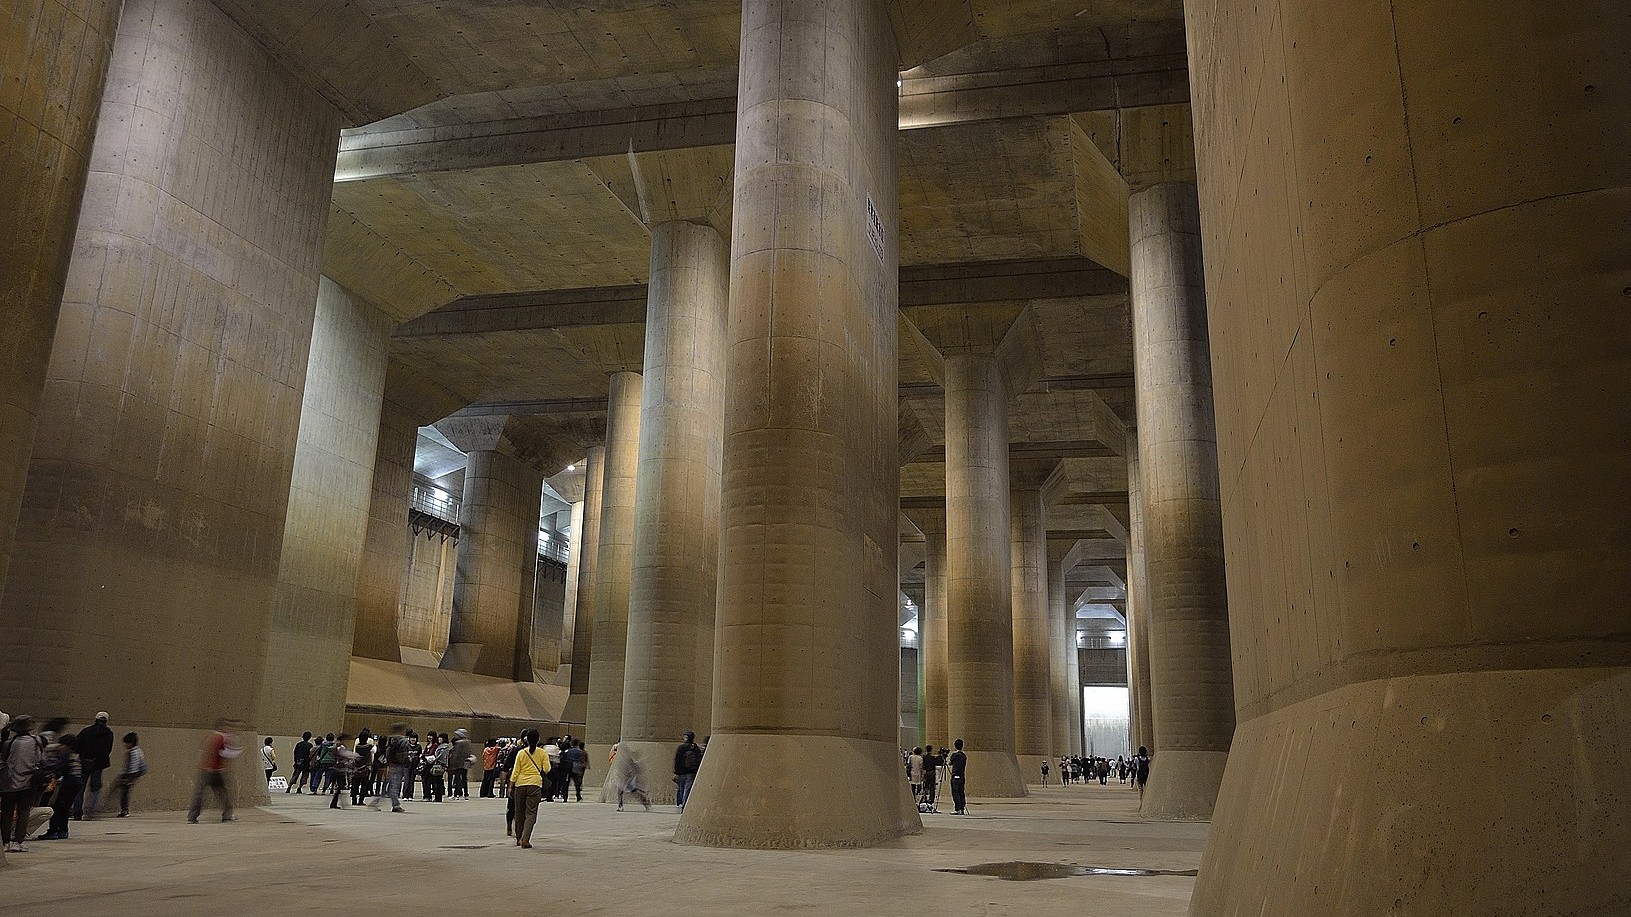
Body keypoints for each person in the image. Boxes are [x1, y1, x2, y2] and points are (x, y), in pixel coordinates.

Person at [2, 716, 48, 851]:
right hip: (28, 782)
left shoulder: (9, 743)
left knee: (6, 813)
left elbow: (3, 760)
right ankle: (19, 841)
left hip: (8, 783)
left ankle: (5, 842)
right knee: (24, 812)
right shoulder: (36, 741)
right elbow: (41, 760)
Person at [187, 719, 241, 824]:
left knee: (199, 794)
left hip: (204, 770)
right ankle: (227, 815)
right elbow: (226, 753)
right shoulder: (220, 738)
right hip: (215, 771)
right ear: (222, 727)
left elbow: (203, 752)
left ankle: (192, 816)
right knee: (223, 794)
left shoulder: (209, 737)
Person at [509, 729, 550, 849]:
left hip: (520, 784)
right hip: (535, 785)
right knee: (531, 813)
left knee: (519, 812)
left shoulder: (521, 753)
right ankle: (525, 839)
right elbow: (547, 769)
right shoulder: (542, 753)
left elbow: (516, 771)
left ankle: (518, 838)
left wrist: (511, 786)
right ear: (538, 739)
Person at [41, 733, 84, 840]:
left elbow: (57, 767)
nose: (60, 747)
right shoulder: (75, 755)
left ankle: (53, 831)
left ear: (68, 745)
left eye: (62, 744)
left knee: (57, 807)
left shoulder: (65, 755)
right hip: (77, 783)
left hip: (69, 784)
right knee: (65, 808)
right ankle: (63, 830)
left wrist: (47, 769)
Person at [73, 712, 114, 820]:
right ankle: (90, 812)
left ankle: (77, 812)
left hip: (84, 762)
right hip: (98, 764)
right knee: (95, 788)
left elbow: (76, 746)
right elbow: (108, 750)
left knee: (80, 788)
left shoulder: (86, 731)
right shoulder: (109, 733)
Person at [369, 723, 410, 813]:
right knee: (394, 787)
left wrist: (388, 764)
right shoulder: (403, 741)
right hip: (399, 765)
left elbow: (388, 752)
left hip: (390, 765)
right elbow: (405, 754)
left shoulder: (390, 740)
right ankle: (395, 805)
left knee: (389, 786)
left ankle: (381, 802)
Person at [111, 732, 146, 817]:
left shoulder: (133, 753)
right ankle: (124, 809)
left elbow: (132, 766)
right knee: (125, 793)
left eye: (127, 743)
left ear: (131, 743)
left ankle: (125, 810)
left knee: (124, 793)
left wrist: (127, 777)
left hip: (130, 775)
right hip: (132, 775)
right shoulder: (139, 751)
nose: (125, 745)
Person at [615, 747, 652, 812]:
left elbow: (637, 770)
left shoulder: (630, 760)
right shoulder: (624, 760)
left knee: (636, 792)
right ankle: (620, 806)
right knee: (620, 792)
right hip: (624, 780)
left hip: (630, 780)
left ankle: (646, 803)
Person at [673, 730, 702, 811]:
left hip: (682, 772)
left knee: (681, 788)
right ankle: (685, 805)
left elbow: (677, 760)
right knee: (687, 789)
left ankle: (681, 803)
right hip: (691, 772)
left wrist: (676, 772)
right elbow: (699, 759)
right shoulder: (695, 748)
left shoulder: (681, 747)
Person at [446, 729, 473, 799]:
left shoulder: (458, 743)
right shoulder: (468, 742)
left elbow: (456, 754)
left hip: (459, 763)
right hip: (466, 762)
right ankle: (466, 793)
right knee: (464, 778)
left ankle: (456, 794)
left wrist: (453, 763)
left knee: (457, 779)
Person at [948, 739, 968, 815]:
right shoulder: (964, 756)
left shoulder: (954, 755)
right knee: (961, 792)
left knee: (955, 792)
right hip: (962, 776)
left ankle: (957, 808)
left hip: (955, 775)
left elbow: (950, 763)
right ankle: (962, 808)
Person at [920, 745, 940, 812]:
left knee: (926, 787)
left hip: (926, 773)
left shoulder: (924, 757)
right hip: (932, 773)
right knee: (932, 788)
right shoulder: (933, 758)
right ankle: (931, 799)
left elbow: (923, 766)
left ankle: (924, 798)